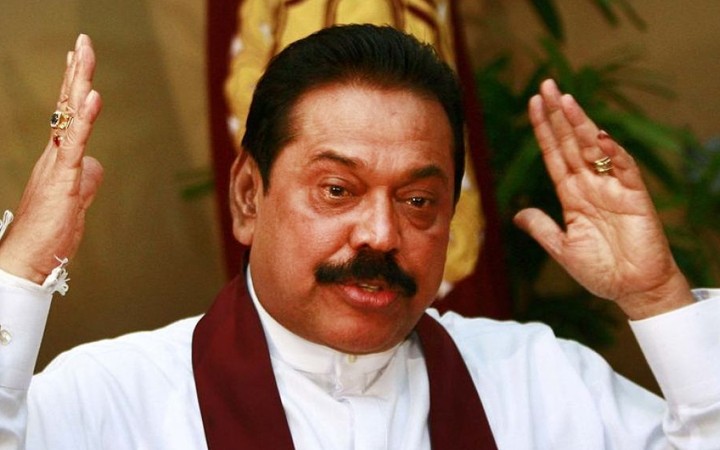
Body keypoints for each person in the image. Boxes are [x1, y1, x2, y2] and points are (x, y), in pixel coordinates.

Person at [0, 24, 718, 450]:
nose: (380, 234)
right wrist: (22, 265)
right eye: (337, 190)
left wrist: (657, 297)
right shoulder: (114, 397)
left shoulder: (540, 381)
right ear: (249, 196)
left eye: (418, 201)